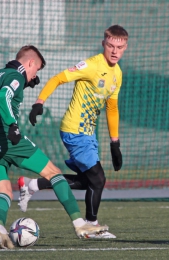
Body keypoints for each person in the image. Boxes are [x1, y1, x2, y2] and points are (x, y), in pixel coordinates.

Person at [0, 45, 108, 249]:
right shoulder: (15, 75)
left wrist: (24, 83)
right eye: (36, 70)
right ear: (30, 63)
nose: (35, 75)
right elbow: (2, 98)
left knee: (5, 192)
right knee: (54, 174)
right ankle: (80, 225)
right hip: (5, 138)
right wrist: (12, 125)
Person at [18, 25, 128, 238]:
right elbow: (58, 78)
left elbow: (112, 107)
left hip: (88, 134)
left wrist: (115, 143)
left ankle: (32, 185)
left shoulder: (118, 74)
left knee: (88, 181)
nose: (115, 51)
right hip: (74, 130)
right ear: (103, 43)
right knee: (98, 179)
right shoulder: (91, 65)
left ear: (125, 47)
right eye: (111, 45)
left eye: (120, 47)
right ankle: (90, 226)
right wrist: (39, 102)